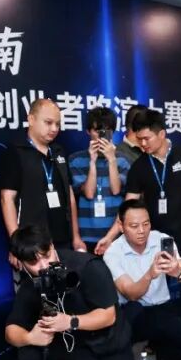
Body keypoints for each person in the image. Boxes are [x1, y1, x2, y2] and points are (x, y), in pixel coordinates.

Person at [5, 225, 135, 360]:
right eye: (33, 262)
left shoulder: (88, 267)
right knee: (28, 355)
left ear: (52, 246)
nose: (43, 265)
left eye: (46, 256)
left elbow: (108, 316)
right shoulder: (32, 280)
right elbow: (11, 330)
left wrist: (71, 321)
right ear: (22, 263)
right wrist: (30, 338)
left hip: (101, 344)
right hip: (67, 344)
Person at [123, 109, 181, 329]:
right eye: (139, 139)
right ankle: (164, 335)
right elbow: (128, 206)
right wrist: (115, 234)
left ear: (161, 133)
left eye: (146, 138)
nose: (143, 144)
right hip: (156, 241)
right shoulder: (139, 166)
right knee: (160, 291)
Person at [103, 200, 181, 360]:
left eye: (146, 224)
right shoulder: (113, 252)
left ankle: (164, 351)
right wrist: (149, 275)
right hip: (133, 314)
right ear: (121, 226)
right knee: (131, 311)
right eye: (134, 226)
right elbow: (130, 293)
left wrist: (178, 272)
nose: (141, 230)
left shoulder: (162, 239)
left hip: (162, 309)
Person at [0, 98, 84, 259]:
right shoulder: (16, 151)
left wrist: (76, 236)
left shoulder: (58, 151)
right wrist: (17, 244)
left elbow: (70, 195)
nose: (54, 129)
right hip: (31, 242)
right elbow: (7, 199)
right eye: (48, 123)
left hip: (63, 239)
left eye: (58, 124)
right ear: (31, 119)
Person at [69, 106, 132, 254]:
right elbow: (89, 193)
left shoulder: (123, 160)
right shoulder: (76, 160)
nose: (102, 135)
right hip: (86, 235)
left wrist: (112, 160)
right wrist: (92, 161)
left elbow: (116, 190)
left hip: (115, 235)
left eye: (107, 131)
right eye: (97, 130)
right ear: (88, 131)